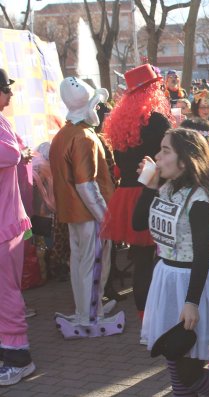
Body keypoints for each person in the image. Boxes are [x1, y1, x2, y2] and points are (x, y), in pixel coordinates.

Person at [132, 128, 209, 396]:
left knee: (189, 370)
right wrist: (149, 186)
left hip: (193, 282)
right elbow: (137, 224)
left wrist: (191, 302)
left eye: (165, 151)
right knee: (174, 356)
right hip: (168, 277)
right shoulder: (168, 188)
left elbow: (202, 255)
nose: (157, 157)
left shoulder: (202, 200)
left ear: (185, 160)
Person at [50, 77, 124, 338]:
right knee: (92, 265)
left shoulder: (63, 134)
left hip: (73, 213)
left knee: (80, 263)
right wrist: (104, 217)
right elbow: (86, 185)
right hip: (89, 213)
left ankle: (86, 310)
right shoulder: (84, 137)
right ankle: (91, 317)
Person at [102, 64, 173, 320]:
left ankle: (145, 317)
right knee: (165, 258)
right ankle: (160, 315)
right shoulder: (157, 120)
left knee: (142, 260)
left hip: (128, 194)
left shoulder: (119, 122)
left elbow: (121, 163)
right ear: (153, 88)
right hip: (156, 192)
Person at [0, 68, 36, 386]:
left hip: (4, 225)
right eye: (5, 88)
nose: (10, 94)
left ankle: (19, 357)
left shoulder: (2, 122)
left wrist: (20, 154)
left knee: (6, 291)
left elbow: (10, 152)